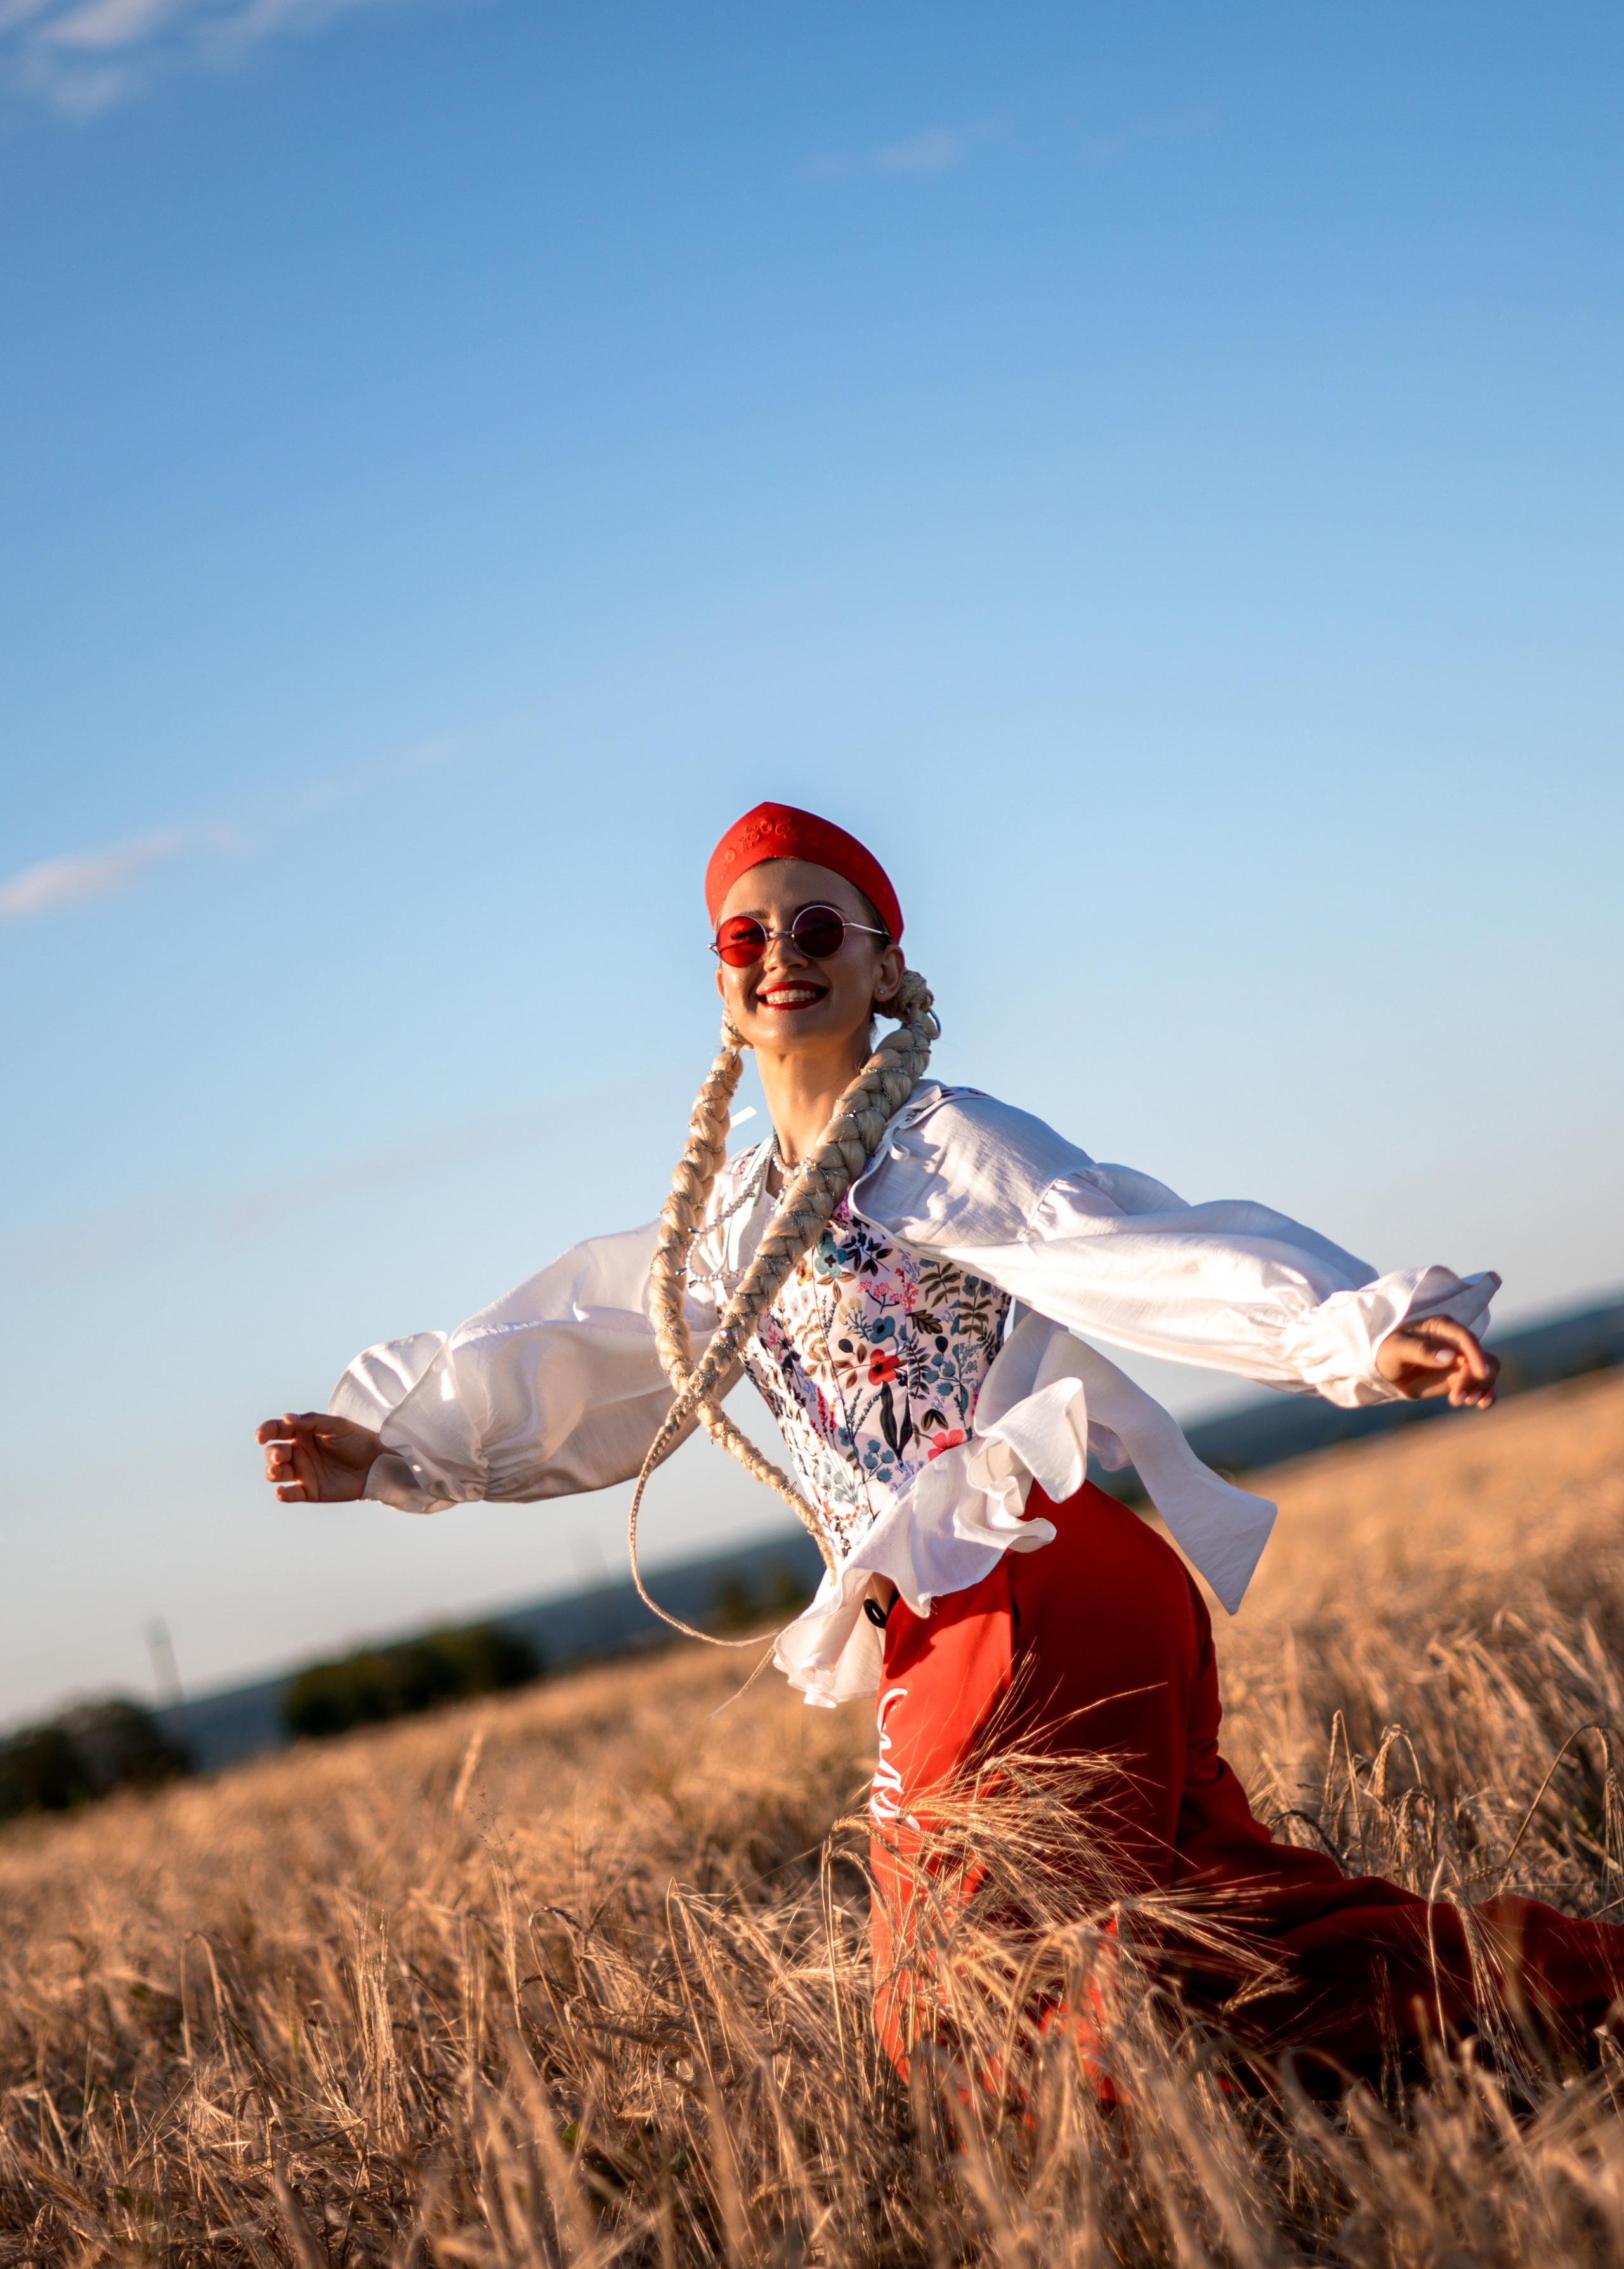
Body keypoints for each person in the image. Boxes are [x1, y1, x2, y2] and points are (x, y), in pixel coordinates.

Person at [259, 801, 1622, 2081]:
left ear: (883, 964)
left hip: (1027, 1585)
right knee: (1222, 1931)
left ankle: (1162, 2180)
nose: (781, 955)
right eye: (748, 935)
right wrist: (388, 1446)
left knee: (964, 2002)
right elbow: (573, 1348)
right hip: (970, 1609)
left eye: (817, 928)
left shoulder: (937, 1143)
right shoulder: (725, 1222)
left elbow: (1129, 1242)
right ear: (716, 980)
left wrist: (1349, 1327)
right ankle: (1552, 1996)